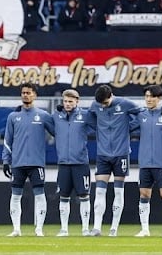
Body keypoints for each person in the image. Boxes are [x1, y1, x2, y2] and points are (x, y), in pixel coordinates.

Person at [86, 84, 140, 237]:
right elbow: (90, 119)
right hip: (102, 154)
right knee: (99, 191)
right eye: (101, 104)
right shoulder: (95, 105)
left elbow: (142, 115)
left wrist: (128, 127)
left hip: (121, 154)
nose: (103, 106)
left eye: (105, 103)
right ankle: (97, 227)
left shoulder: (125, 103)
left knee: (118, 191)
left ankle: (114, 228)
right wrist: (99, 129)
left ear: (111, 96)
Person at [3, 83, 55, 237]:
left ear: (35, 95)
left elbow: (57, 131)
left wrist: (61, 116)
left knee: (39, 195)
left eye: (28, 92)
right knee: (15, 196)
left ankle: (39, 229)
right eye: (23, 93)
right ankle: (16, 229)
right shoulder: (13, 117)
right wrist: (6, 160)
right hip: (18, 163)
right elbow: (7, 140)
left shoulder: (43, 115)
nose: (25, 95)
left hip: (36, 163)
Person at [130, 85, 162, 237]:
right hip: (145, 163)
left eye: (152, 96)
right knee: (144, 194)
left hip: (161, 163)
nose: (149, 99)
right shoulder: (141, 115)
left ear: (159, 98)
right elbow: (129, 128)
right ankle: (145, 229)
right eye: (147, 96)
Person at [52, 89, 92, 236]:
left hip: (81, 163)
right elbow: (51, 129)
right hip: (63, 163)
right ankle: (64, 229)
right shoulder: (56, 116)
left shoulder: (85, 115)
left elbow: (100, 126)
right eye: (65, 101)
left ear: (77, 101)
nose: (67, 104)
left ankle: (85, 229)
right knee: (64, 196)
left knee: (84, 196)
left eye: (70, 101)